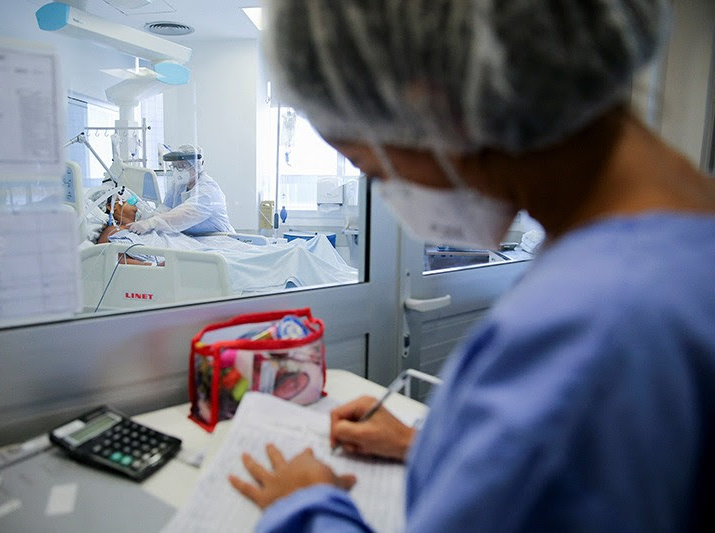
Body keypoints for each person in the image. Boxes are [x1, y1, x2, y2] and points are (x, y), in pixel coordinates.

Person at [227, 0, 715, 531]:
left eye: (372, 166)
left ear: (434, 109)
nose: (388, 189)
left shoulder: (592, 326)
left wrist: (307, 505)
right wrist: (438, 448)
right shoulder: (680, 241)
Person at [128, 144, 235, 235]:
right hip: (196, 239)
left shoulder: (208, 191)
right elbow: (166, 208)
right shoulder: (179, 186)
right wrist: (147, 217)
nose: (177, 171)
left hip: (219, 238)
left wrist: (152, 223)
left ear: (196, 166)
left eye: (181, 166)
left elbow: (184, 214)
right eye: (174, 166)